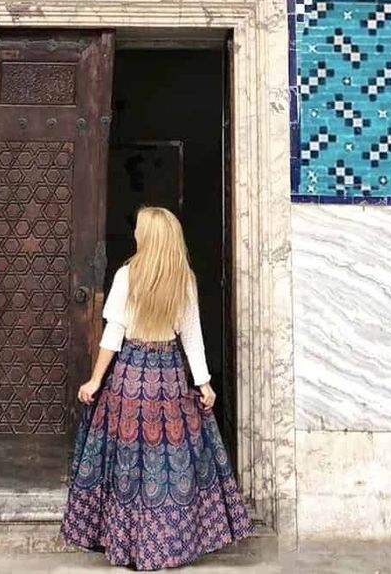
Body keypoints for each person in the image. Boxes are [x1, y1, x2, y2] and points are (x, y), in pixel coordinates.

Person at [60, 205, 253, 569]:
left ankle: (130, 546)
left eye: (140, 228)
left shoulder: (126, 275)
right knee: (168, 462)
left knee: (129, 463)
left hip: (131, 378)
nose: (134, 232)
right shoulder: (184, 278)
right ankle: (168, 547)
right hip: (169, 378)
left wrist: (95, 380)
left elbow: (113, 337)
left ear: (148, 237)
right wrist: (204, 383)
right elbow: (192, 338)